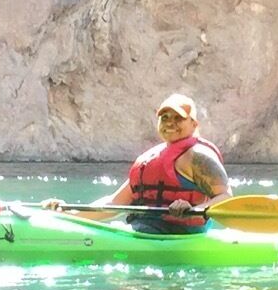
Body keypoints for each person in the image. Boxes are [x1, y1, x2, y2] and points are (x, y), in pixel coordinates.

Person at [46, 92, 231, 233]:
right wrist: (66, 214)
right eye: (164, 117)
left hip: (182, 235)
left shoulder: (199, 157)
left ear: (194, 124)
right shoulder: (151, 159)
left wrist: (194, 209)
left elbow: (226, 197)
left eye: (178, 118)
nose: (169, 123)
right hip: (145, 231)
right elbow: (114, 203)